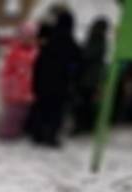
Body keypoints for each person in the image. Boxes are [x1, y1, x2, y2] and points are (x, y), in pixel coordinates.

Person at [27, 6, 80, 147]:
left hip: (43, 81)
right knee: (55, 111)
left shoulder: (49, 41)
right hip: (61, 83)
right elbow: (76, 63)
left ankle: (37, 134)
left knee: (41, 107)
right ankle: (50, 136)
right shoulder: (70, 43)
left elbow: (39, 62)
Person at [0, 22, 38, 140]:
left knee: (24, 113)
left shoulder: (35, 51)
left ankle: (18, 131)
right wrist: (6, 86)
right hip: (14, 89)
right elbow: (6, 71)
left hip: (28, 88)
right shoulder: (14, 51)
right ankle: (7, 133)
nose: (29, 40)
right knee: (12, 113)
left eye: (31, 37)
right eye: (26, 37)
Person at [70, 17, 108, 135]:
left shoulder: (97, 39)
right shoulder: (100, 39)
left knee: (83, 103)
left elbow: (87, 55)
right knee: (87, 102)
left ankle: (82, 125)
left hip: (87, 78)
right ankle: (86, 125)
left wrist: (79, 51)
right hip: (92, 77)